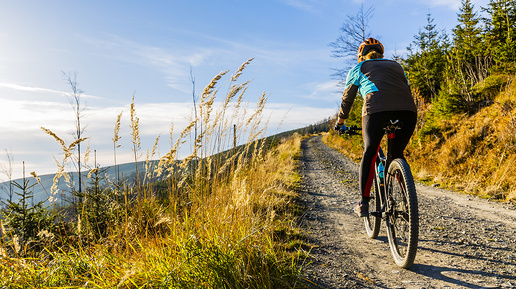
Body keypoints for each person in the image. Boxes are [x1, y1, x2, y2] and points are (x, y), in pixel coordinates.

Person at [334, 38, 417, 217]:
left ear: (361, 56)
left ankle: (363, 203)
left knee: (370, 152)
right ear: (381, 53)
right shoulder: (397, 66)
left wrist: (340, 123)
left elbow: (347, 100)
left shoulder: (358, 68)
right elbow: (406, 88)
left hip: (376, 111)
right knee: (397, 155)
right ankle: (408, 199)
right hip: (408, 111)